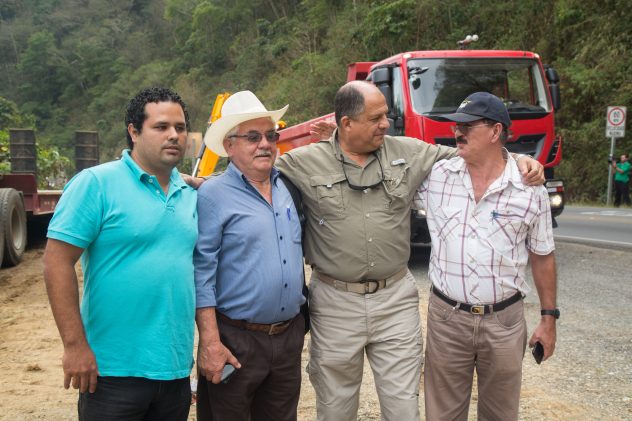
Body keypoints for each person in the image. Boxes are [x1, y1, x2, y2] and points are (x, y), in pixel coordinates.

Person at [274, 81, 544, 421]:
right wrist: (191, 183)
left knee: (403, 407)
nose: (386, 124)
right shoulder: (303, 162)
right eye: (376, 118)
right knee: (334, 407)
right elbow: (248, 179)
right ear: (346, 124)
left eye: (386, 115)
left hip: (395, 302)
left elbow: (476, 155)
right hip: (334, 302)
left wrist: (520, 158)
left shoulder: (409, 152)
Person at [43, 87, 198, 421]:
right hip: (111, 372)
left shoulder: (190, 193)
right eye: (161, 127)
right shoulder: (96, 184)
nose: (174, 135)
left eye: (180, 127)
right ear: (134, 131)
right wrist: (74, 346)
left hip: (174, 370)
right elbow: (56, 262)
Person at [417, 92, 558, 421]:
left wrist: (549, 319)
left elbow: (543, 255)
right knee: (442, 415)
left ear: (495, 132)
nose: (457, 132)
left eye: (467, 126)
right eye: (456, 126)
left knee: (500, 414)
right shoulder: (437, 178)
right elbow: (388, 162)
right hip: (447, 319)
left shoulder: (530, 188)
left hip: (505, 322)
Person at [194, 90, 306, 421]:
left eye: (271, 135)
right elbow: (201, 275)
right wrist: (211, 343)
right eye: (253, 137)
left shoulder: (289, 187)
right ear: (229, 146)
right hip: (236, 340)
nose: (265, 144)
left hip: (287, 338)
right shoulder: (213, 196)